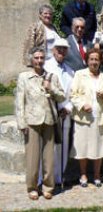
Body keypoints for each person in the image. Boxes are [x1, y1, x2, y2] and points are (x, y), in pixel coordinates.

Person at [16, 47, 65, 200]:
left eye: (42, 58)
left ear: (45, 59)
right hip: (31, 121)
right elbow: (20, 101)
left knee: (49, 157)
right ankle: (32, 187)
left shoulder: (52, 77)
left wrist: (51, 89)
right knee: (32, 157)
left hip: (49, 119)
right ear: (32, 60)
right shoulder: (24, 77)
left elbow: (62, 97)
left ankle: (48, 187)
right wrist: (21, 122)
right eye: (36, 58)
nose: (39, 61)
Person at [70, 48, 103, 188]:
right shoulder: (79, 74)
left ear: (100, 61)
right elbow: (73, 95)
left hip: (99, 118)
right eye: (91, 59)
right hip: (83, 118)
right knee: (82, 147)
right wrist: (82, 105)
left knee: (98, 147)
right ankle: (83, 174)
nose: (94, 62)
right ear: (87, 61)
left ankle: (96, 175)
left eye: (96, 59)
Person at [44, 39, 75, 187]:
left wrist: (67, 107)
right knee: (49, 147)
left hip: (65, 114)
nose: (61, 51)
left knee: (63, 146)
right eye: (59, 49)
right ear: (53, 50)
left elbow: (74, 94)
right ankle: (45, 178)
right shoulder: (45, 67)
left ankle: (59, 178)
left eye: (64, 49)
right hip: (50, 111)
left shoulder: (70, 70)